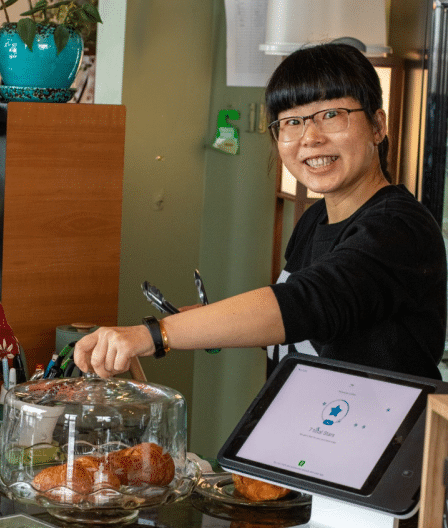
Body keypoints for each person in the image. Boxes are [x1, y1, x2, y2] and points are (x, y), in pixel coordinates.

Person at [74, 42, 447, 381]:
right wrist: (203, 323)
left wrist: (154, 335)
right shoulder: (316, 218)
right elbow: (306, 331)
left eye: (331, 115)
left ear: (378, 126)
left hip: (382, 448)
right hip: (307, 439)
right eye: (292, 122)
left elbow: (308, 304)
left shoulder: (399, 228)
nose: (310, 137)